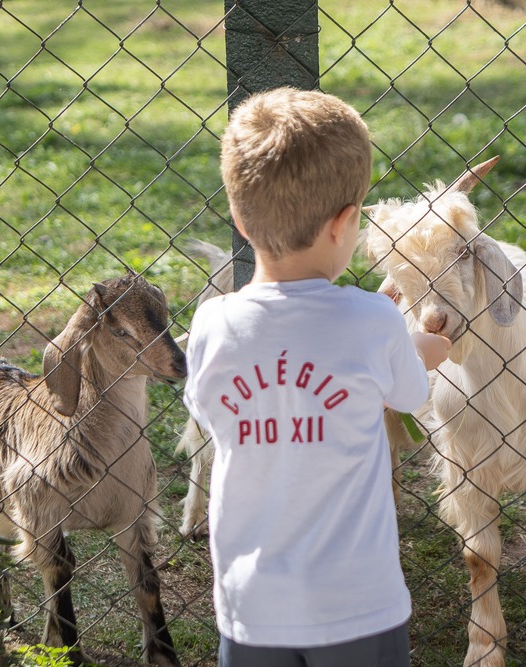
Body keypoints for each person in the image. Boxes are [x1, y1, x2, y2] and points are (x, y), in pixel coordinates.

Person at [183, 87, 451, 667]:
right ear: (345, 223)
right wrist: (422, 346)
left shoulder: (212, 324)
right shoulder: (375, 319)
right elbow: (409, 390)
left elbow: (213, 414)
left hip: (251, 607)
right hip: (359, 605)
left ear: (237, 214)